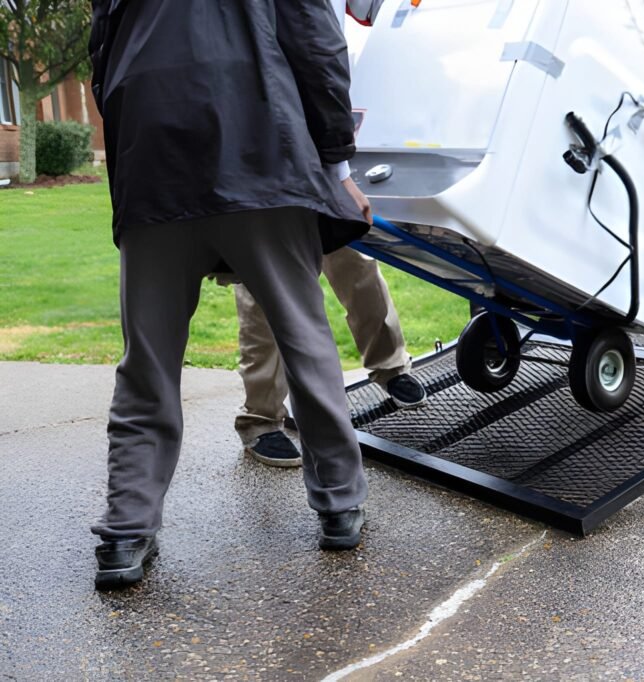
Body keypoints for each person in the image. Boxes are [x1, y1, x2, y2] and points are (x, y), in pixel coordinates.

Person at [89, 0, 373, 590]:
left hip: (154, 154)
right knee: (303, 337)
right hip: (261, 142)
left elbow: (102, 50)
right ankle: (340, 504)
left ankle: (126, 529)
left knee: (148, 357)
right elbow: (316, 41)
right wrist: (337, 162)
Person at [235, 0, 427, 468]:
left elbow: (368, 13)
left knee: (353, 259)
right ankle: (260, 418)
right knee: (262, 286)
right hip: (255, 131)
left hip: (322, 135)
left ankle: (389, 364)